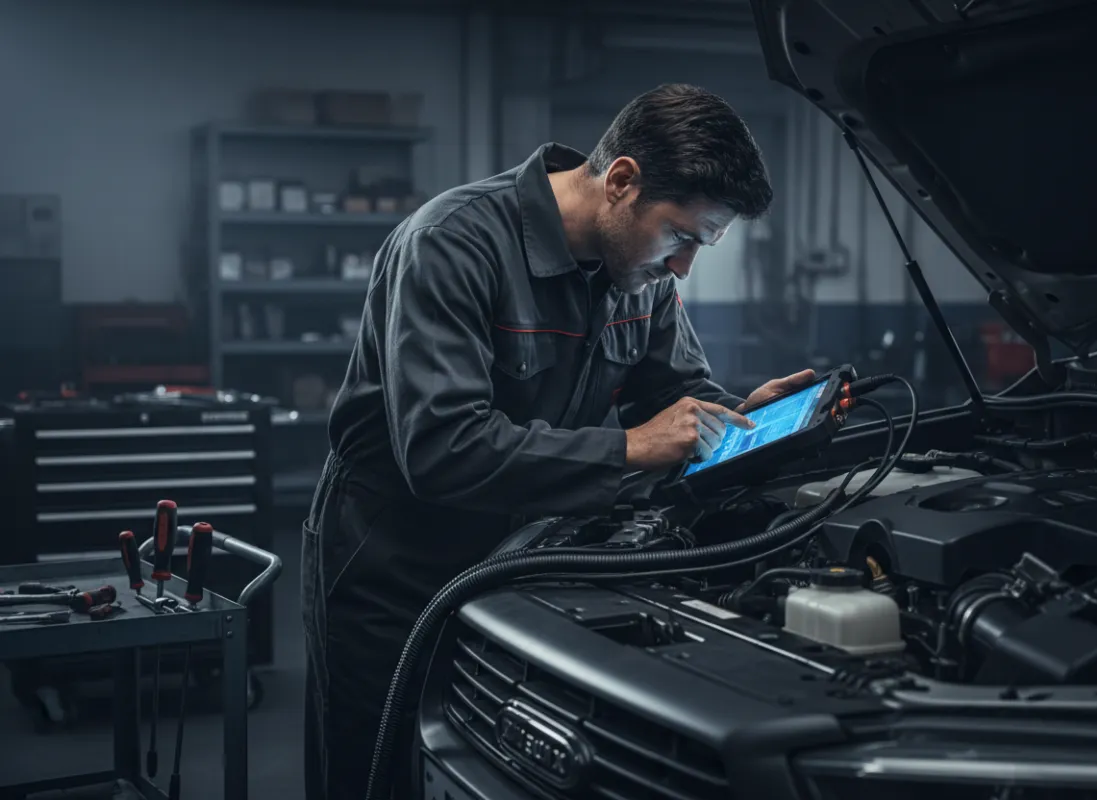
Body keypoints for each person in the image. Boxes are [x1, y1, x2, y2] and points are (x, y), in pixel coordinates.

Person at [302, 83, 815, 799]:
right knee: (380, 771)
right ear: (622, 181)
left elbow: (678, 398)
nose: (682, 269)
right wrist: (632, 448)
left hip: (517, 556)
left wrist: (741, 420)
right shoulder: (451, 243)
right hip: (394, 562)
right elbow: (444, 448)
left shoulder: (640, 274)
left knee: (487, 767)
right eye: (682, 237)